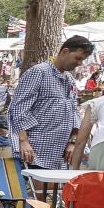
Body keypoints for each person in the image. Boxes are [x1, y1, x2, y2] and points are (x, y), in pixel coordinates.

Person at [8, 35, 93, 169]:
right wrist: (23, 141)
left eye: (82, 60)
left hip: (61, 151)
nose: (79, 63)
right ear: (65, 51)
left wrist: (72, 141)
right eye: (78, 58)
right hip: (37, 148)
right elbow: (19, 108)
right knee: (39, 189)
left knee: (54, 190)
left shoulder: (69, 79)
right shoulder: (38, 72)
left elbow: (73, 111)